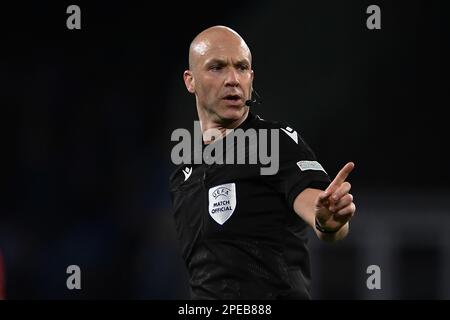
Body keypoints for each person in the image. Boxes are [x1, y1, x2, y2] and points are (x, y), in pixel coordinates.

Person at [169, 26, 356, 299]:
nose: (233, 79)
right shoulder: (183, 174)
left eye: (242, 68)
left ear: (251, 78)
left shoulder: (273, 143)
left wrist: (328, 221)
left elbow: (321, 213)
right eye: (217, 67)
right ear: (190, 80)